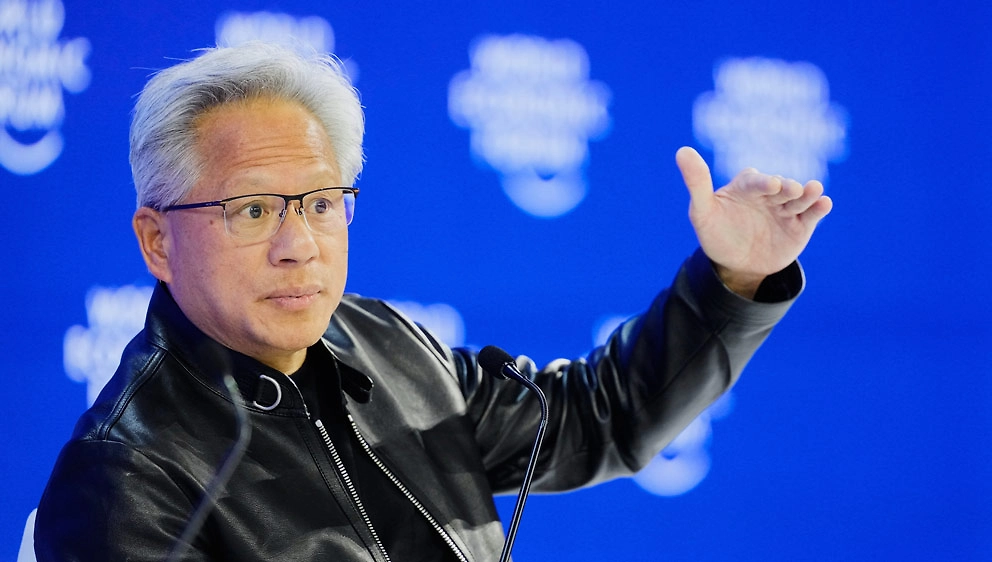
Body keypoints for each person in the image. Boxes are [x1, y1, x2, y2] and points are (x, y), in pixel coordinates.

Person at [34, 41, 832, 561]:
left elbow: (599, 418)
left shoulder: (383, 341)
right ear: (157, 242)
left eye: (321, 203)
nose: (298, 244)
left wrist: (732, 281)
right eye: (252, 211)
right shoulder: (122, 479)